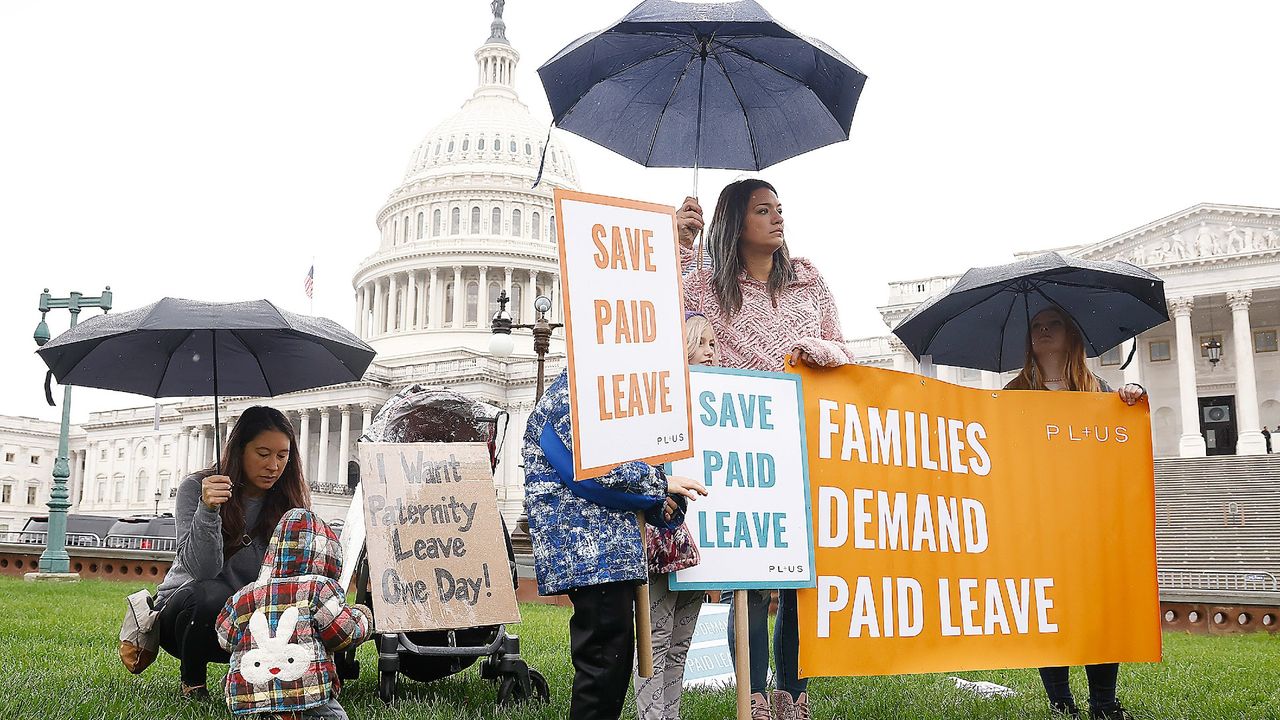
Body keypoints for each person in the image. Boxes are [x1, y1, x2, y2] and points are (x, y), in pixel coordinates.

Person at [676, 179, 855, 720]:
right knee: (750, 573)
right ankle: (751, 693)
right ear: (736, 220)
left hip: (802, 440)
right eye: (762, 209)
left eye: (779, 208)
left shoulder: (807, 276)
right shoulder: (707, 282)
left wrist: (812, 351)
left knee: (799, 573)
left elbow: (842, 347)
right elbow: (670, 322)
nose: (777, 217)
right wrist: (681, 241)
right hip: (738, 443)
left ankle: (793, 692)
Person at [524, 370, 708, 720]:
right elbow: (592, 472)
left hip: (605, 554)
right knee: (603, 666)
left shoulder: (587, 398)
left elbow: (604, 484)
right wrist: (661, 483)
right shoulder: (568, 400)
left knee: (611, 663)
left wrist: (656, 502)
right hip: (590, 554)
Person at [1005, 307, 1145, 720]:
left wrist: (1129, 399)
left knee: (1098, 608)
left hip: (1093, 517)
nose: (1044, 331)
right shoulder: (1012, 394)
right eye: (1036, 326)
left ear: (1072, 335)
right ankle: (1060, 703)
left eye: (1054, 324)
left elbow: (1120, 445)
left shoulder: (1099, 390)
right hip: (1040, 516)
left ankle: (1104, 702)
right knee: (1052, 609)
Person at [155, 406, 310, 700]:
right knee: (210, 593)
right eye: (263, 454)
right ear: (239, 450)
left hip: (253, 615)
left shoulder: (288, 499)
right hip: (186, 617)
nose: (274, 466)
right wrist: (209, 509)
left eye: (282, 455)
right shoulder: (196, 488)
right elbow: (201, 570)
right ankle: (193, 684)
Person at [632, 312, 718, 720]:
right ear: (682, 346)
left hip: (703, 541)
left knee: (681, 641)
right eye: (704, 343)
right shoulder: (656, 401)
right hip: (663, 532)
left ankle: (672, 714)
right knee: (657, 637)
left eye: (715, 345)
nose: (712, 353)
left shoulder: (723, 403)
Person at [216, 509, 371, 719]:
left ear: (274, 551)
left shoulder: (246, 595)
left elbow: (225, 638)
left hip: (254, 696)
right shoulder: (319, 589)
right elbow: (342, 634)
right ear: (328, 557)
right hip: (308, 694)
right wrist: (363, 618)